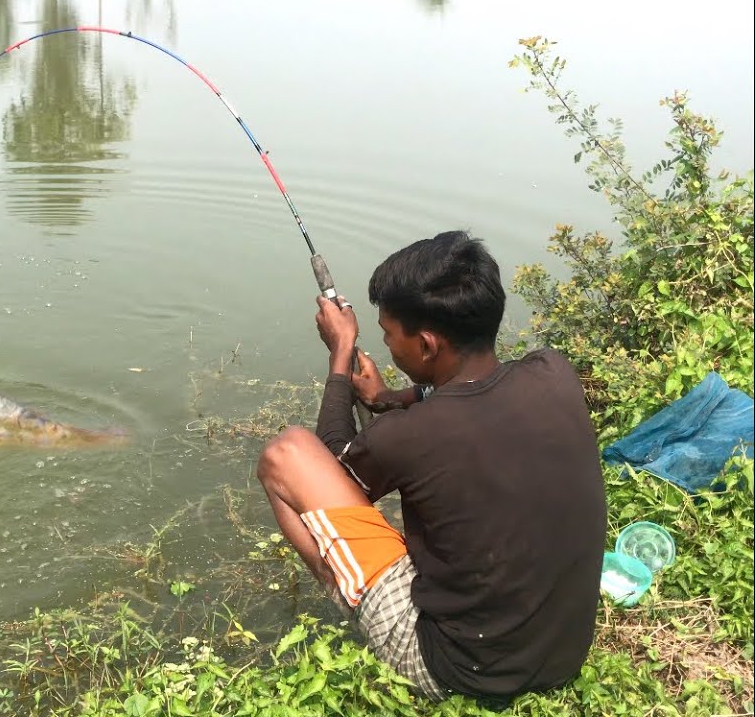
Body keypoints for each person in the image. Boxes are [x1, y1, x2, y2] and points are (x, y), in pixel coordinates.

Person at [256, 231, 607, 703]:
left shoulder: (408, 436)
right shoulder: (553, 371)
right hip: (563, 655)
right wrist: (387, 399)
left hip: (461, 669)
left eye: (387, 334)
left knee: (286, 454)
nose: (386, 344)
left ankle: (346, 589)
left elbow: (331, 461)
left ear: (425, 345)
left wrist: (341, 352)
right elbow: (469, 396)